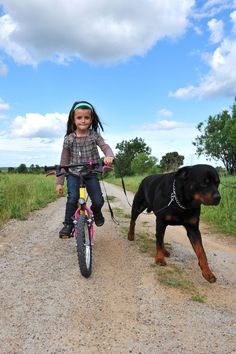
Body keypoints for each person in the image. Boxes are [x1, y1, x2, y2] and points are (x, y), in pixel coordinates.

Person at [56, 100, 114, 238]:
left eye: (86, 117)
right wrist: (59, 182)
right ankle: (68, 225)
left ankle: (96, 211)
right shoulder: (69, 139)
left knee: (98, 200)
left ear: (91, 119)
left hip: (90, 173)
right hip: (73, 174)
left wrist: (109, 155)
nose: (83, 120)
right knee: (73, 198)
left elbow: (105, 146)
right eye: (79, 117)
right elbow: (64, 161)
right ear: (73, 119)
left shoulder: (94, 135)